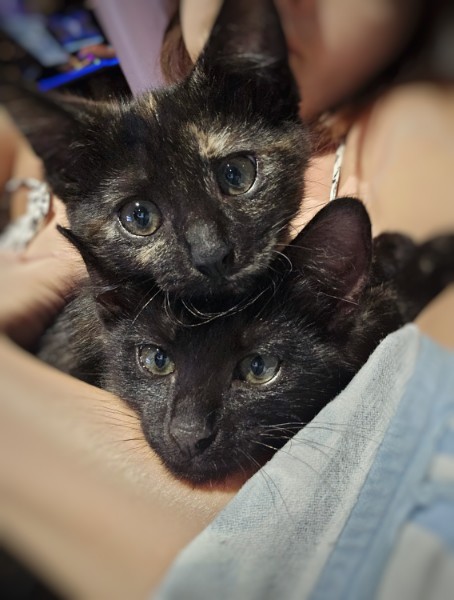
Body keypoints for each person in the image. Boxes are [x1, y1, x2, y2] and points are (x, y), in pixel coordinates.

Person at [0, 0, 453, 597]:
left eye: (236, 176)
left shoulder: (421, 128)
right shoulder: (105, 126)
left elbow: (271, 548)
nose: (209, 251)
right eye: (141, 218)